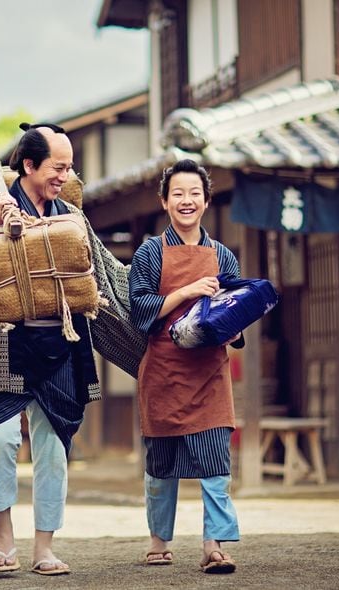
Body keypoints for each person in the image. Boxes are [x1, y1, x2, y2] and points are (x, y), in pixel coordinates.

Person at [0, 123, 139, 576]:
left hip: (63, 342)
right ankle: (2, 535)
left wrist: (165, 300)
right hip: (6, 343)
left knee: (53, 449)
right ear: (29, 164)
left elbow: (110, 275)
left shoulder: (71, 215)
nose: (65, 175)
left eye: (69, 167)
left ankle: (44, 547)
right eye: (58, 166)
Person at [128, 158, 242, 574]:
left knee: (215, 463)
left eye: (195, 193)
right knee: (160, 465)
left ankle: (215, 545)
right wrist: (188, 291)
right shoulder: (150, 252)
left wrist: (232, 329)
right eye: (178, 193)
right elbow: (138, 307)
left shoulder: (223, 256)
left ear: (207, 201)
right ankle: (159, 541)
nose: (187, 200)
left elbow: (234, 308)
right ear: (164, 201)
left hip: (210, 373)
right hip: (163, 370)